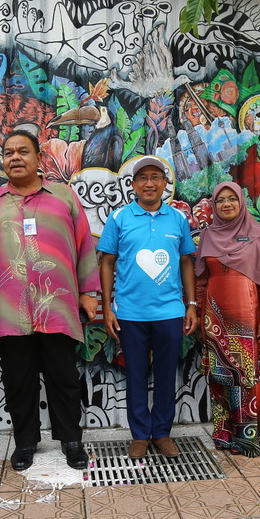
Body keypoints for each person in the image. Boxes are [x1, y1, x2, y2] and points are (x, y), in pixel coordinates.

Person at [0, 129, 99, 472]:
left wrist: (88, 293)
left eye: (23, 152)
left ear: (38, 158)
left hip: (58, 304)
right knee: (18, 379)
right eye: (8, 153)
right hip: (9, 308)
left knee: (63, 376)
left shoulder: (62, 196)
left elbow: (83, 246)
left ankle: (71, 441)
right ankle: (25, 443)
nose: (15, 158)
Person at [97, 155, 198, 460]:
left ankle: (163, 433)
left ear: (165, 184)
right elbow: (107, 263)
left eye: (156, 177)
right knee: (137, 375)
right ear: (134, 185)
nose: (150, 183)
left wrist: (191, 304)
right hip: (129, 312)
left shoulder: (178, 219)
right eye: (143, 178)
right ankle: (140, 434)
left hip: (170, 312)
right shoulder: (119, 218)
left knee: (167, 374)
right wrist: (107, 307)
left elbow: (186, 263)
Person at [194, 181, 260, 457]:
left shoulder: (255, 235)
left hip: (247, 312)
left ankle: (250, 439)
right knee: (220, 376)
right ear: (214, 206)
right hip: (214, 314)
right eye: (220, 200)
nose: (226, 204)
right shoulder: (208, 236)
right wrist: (197, 311)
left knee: (247, 375)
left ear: (241, 203)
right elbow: (201, 280)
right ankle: (225, 436)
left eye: (232, 199)